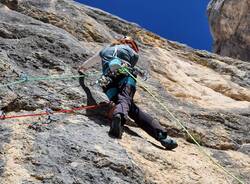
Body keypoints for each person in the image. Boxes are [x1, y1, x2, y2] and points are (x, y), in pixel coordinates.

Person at [79, 36, 178, 150]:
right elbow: (132, 64)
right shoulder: (132, 53)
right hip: (125, 74)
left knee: (130, 108)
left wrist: (82, 69)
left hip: (106, 81)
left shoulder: (105, 50)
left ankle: (160, 136)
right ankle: (122, 118)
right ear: (130, 44)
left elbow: (87, 64)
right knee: (125, 98)